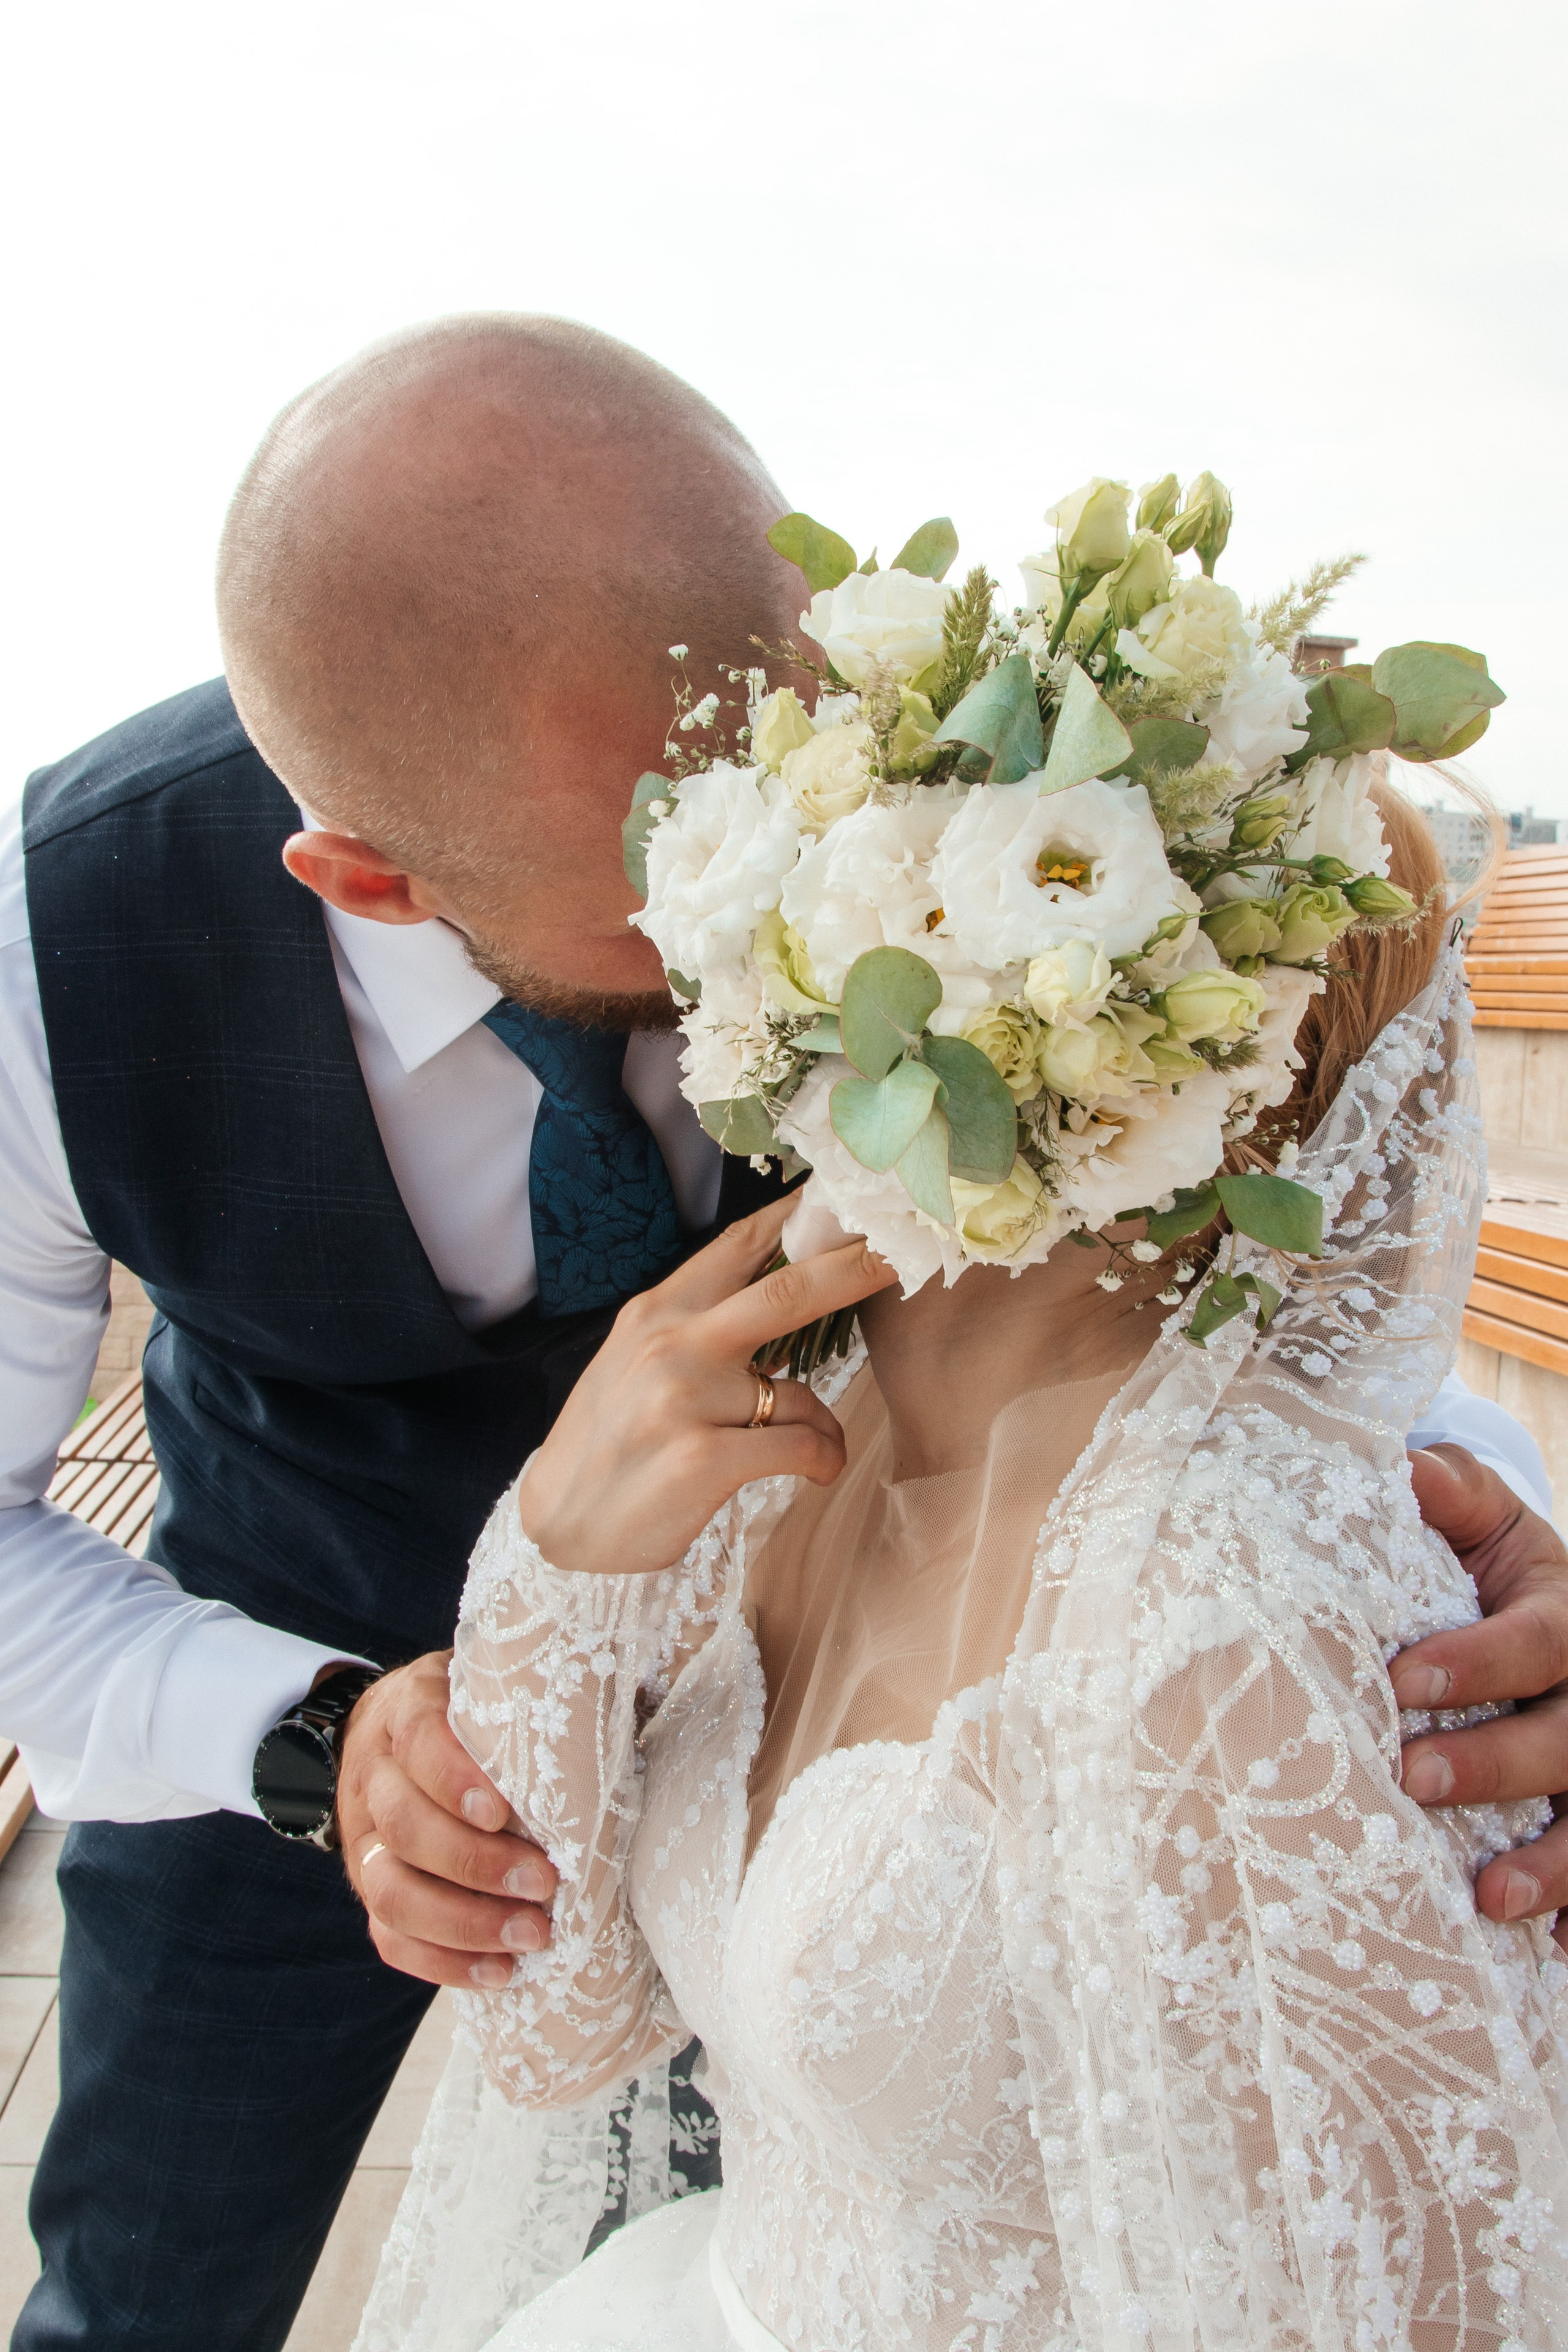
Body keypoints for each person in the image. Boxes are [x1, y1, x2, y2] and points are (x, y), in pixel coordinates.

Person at [0, 317, 1561, 2349]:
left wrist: (1472, 1543)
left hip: (837, 1697)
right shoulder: (58, 958)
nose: (801, 925)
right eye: (676, 893)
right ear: (369, 881)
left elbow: (1202, 1200)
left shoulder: (903, 788)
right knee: (145, 2290)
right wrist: (305, 1738)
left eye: (808, 794)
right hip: (286, 1673)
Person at [356, 776, 1568, 2350]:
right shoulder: (791, 1455)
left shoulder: (1230, 1627)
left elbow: (1438, 2292)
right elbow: (561, 2028)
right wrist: (556, 1564)